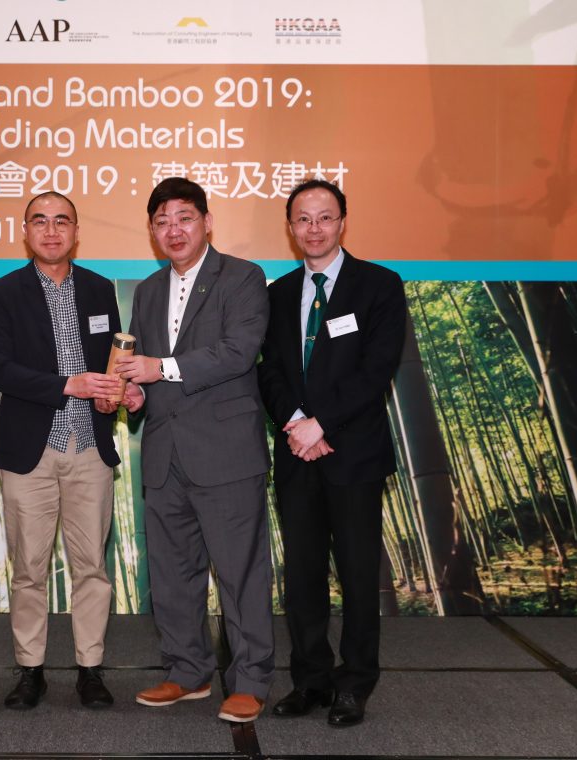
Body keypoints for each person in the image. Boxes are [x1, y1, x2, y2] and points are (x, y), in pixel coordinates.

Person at [116, 177, 274, 723]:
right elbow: (146, 369)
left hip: (226, 451)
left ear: (207, 222)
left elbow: (238, 351)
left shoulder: (244, 277)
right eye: (162, 221)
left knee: (240, 571)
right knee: (172, 572)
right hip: (164, 453)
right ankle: (187, 671)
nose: (173, 230)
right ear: (153, 232)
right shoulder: (149, 290)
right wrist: (136, 393)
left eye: (184, 217)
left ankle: (251, 678)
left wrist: (160, 369)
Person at [257, 179, 406, 726]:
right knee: (302, 575)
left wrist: (322, 423)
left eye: (324, 217)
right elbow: (269, 370)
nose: (313, 228)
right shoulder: (275, 293)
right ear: (290, 227)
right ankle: (310, 680)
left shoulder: (379, 286)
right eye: (303, 219)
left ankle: (355, 683)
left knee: (359, 573)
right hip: (297, 454)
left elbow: (377, 368)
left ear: (343, 222)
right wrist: (295, 423)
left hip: (354, 455)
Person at [0, 192, 122, 710]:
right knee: (29, 568)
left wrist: (112, 390)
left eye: (62, 221)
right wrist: (68, 385)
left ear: (76, 231)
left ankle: (90, 669)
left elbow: (112, 361)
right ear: (26, 231)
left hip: (89, 447)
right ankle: (30, 670)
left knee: (91, 568)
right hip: (27, 452)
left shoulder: (99, 289)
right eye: (40, 221)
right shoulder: (3, 293)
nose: (52, 230)